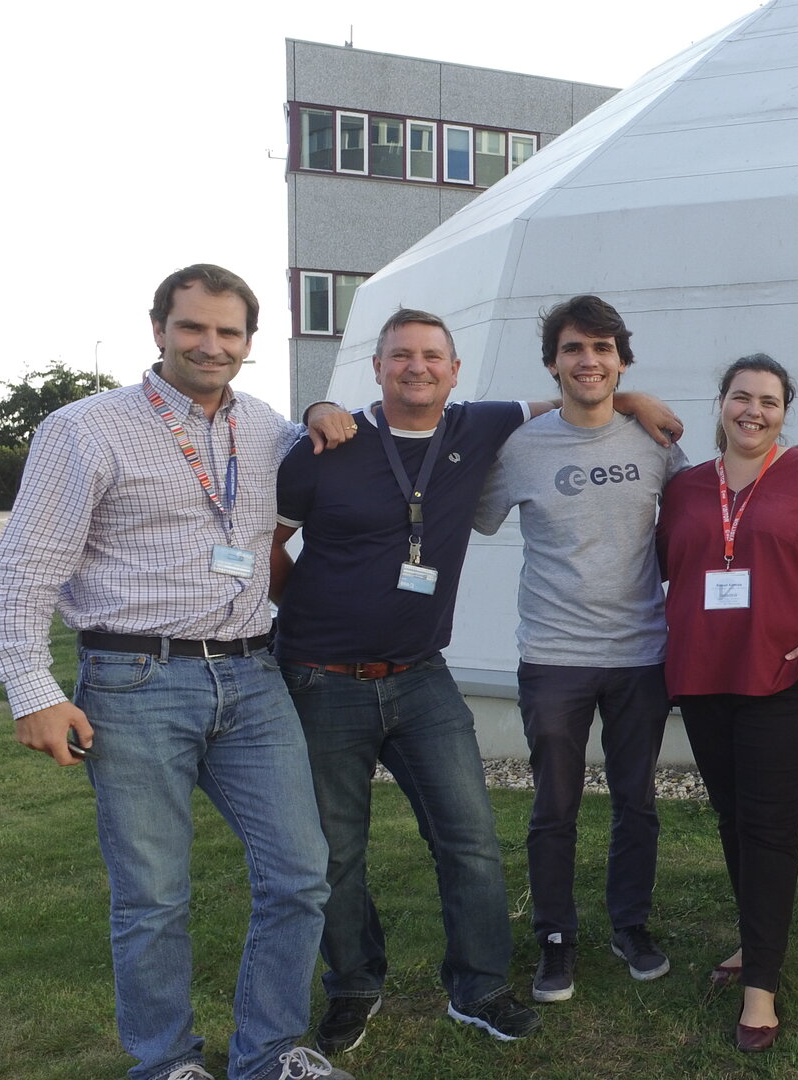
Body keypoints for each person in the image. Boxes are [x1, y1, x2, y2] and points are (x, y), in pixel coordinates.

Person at [0, 264, 359, 1080]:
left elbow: (327, 446)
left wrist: (325, 409)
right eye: (193, 327)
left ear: (250, 344)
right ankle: (163, 1063)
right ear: (159, 330)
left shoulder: (265, 427)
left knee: (300, 874)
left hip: (254, 679)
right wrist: (33, 690)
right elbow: (20, 575)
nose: (211, 345)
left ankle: (270, 1052)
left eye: (229, 332)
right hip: (134, 683)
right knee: (152, 898)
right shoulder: (86, 430)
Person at [271, 306, 680, 1054]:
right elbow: (269, 539)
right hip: (326, 679)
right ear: (378, 366)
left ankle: (480, 984)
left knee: (470, 836)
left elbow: (580, 395)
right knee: (336, 849)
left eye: (432, 356)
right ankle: (355, 985)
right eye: (401, 356)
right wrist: (301, 610)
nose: (417, 367)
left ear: (456, 372)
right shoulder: (330, 445)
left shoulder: (485, 428)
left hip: (425, 674)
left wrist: (632, 400)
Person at [474, 295, 688, 1002]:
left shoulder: (654, 442)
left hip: (639, 653)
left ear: (622, 359)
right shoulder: (521, 448)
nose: (588, 361)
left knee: (637, 801)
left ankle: (631, 926)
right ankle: (555, 940)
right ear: (553, 362)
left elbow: (699, 526)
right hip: (554, 655)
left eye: (602, 349)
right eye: (574, 348)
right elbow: (473, 516)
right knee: (553, 807)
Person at [656, 354, 798, 1052]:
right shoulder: (686, 487)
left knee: (771, 827)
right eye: (742, 397)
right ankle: (756, 942)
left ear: (785, 412)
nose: (754, 410)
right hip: (706, 674)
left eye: (769, 401)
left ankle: (760, 989)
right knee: (733, 817)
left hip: (785, 675)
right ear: (720, 404)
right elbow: (672, 563)